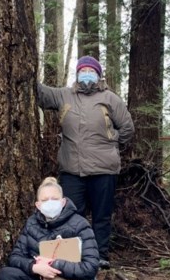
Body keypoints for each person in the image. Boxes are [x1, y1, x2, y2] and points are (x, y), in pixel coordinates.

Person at [37, 56, 134, 268]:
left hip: (104, 168)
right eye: (83, 70)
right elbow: (41, 94)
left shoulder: (110, 98)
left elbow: (127, 128)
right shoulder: (65, 95)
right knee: (72, 215)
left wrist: (112, 142)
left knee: (101, 216)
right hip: (72, 169)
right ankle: (73, 255)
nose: (87, 73)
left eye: (91, 70)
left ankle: (100, 256)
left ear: (99, 75)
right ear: (77, 73)